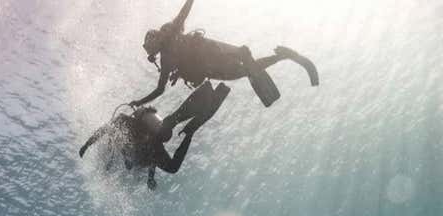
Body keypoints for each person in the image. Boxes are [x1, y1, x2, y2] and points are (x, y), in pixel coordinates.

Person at [132, 0, 319, 108]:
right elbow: (160, 89)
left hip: (210, 52)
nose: (148, 48)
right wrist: (139, 102)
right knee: (244, 71)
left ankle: (273, 55)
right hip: (208, 67)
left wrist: (139, 102)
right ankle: (282, 56)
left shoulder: (171, 31)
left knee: (243, 57)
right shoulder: (165, 63)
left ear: (154, 38)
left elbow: (185, 11)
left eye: (147, 44)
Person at [79, 80, 230, 189]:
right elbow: (152, 160)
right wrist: (150, 179)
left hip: (149, 135)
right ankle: (189, 132)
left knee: (165, 130)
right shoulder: (135, 155)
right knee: (172, 166)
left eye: (128, 164)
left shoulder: (123, 135)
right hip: (153, 141)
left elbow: (105, 129)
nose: (128, 165)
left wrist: (87, 144)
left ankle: (201, 96)